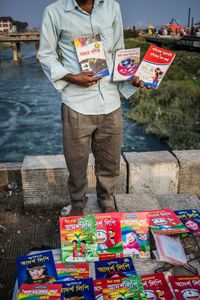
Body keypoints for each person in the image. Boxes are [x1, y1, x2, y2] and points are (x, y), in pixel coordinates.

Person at [39, 0, 145, 216]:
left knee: (110, 160)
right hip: (77, 102)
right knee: (76, 162)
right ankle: (77, 202)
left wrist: (131, 76)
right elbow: (45, 54)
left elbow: (118, 50)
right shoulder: (54, 11)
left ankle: (106, 200)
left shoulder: (112, 7)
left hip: (110, 100)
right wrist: (71, 77)